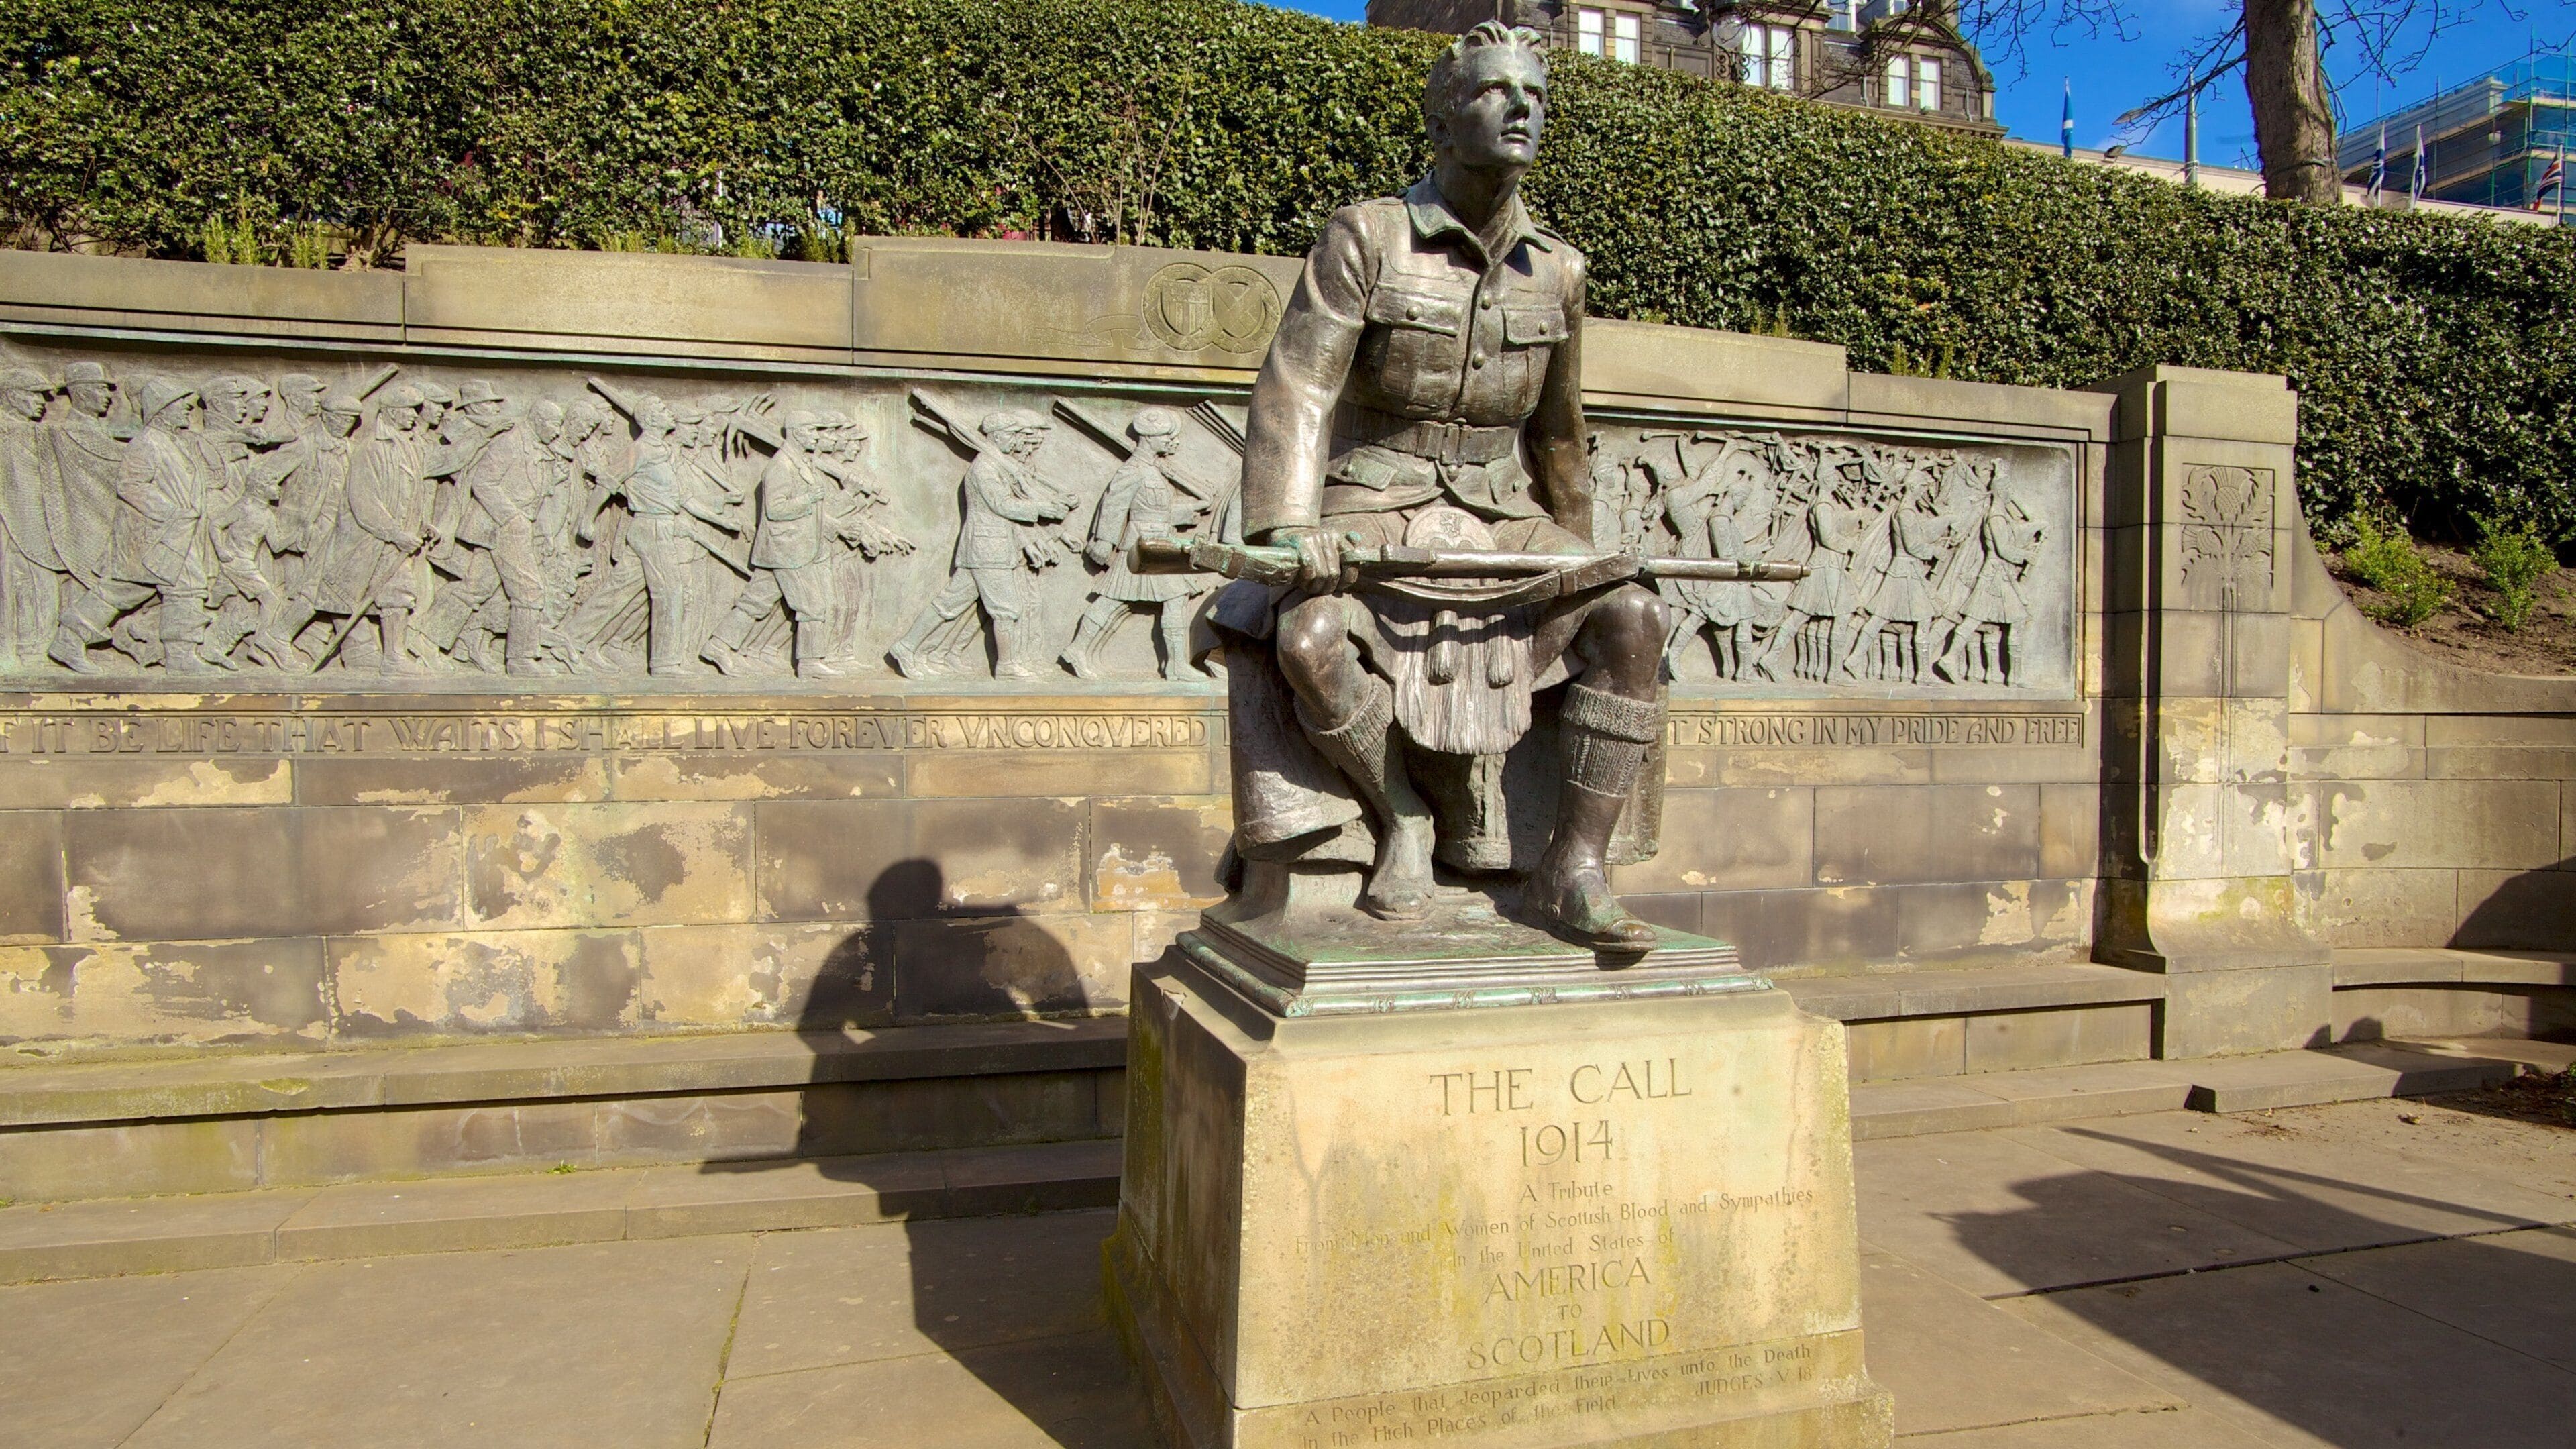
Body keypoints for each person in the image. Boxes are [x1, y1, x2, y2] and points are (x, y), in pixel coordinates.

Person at [1223, 21, 1670, 947]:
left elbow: (1559, 430)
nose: (1521, 110)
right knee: (1305, 634)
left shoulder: (1560, 269)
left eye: (1536, 97)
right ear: (1441, 117)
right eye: (1494, 92)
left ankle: (1575, 866)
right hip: (1374, 501)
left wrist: (1585, 556)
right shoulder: (1368, 236)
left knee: (1633, 618)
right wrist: (1287, 527)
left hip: (1504, 515)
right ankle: (1400, 816)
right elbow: (1302, 381)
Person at [702, 411, 912, 677]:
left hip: (795, 548)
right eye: (813, 431)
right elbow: (776, 510)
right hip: (787, 549)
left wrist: (841, 517)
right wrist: (809, 498)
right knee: (813, 606)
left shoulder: (804, 463)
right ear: (797, 432)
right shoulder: (781, 466)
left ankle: (717, 646)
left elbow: (818, 512)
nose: (818, 436)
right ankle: (810, 663)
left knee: (755, 602)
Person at [888, 408, 1077, 680]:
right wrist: (1045, 508)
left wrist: (1049, 506)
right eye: (1011, 436)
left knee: (949, 604)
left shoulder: (998, 465)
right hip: (988, 548)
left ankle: (906, 647)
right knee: (1006, 608)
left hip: (993, 547)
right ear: (997, 436)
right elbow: (1002, 505)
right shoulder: (985, 468)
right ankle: (1007, 666)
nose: (1016, 442)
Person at [51, 378, 215, 672]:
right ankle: (69, 638)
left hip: (176, 534)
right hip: (152, 534)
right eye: (182, 406)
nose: (189, 411)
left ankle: (180, 657)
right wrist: (170, 512)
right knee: (125, 589)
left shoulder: (172, 442)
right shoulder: (147, 443)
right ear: (162, 410)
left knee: (185, 587)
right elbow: (131, 485)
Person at [1061, 407, 1220, 681]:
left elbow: (1153, 510)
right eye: (1167, 436)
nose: (1174, 442)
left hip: (1158, 544)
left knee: (1171, 598)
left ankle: (1175, 665)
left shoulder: (1151, 469)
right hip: (1141, 548)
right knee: (1112, 600)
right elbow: (1114, 505)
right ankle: (1078, 650)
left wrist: (1188, 511)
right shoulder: (1134, 470)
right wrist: (1104, 542)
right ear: (1149, 437)